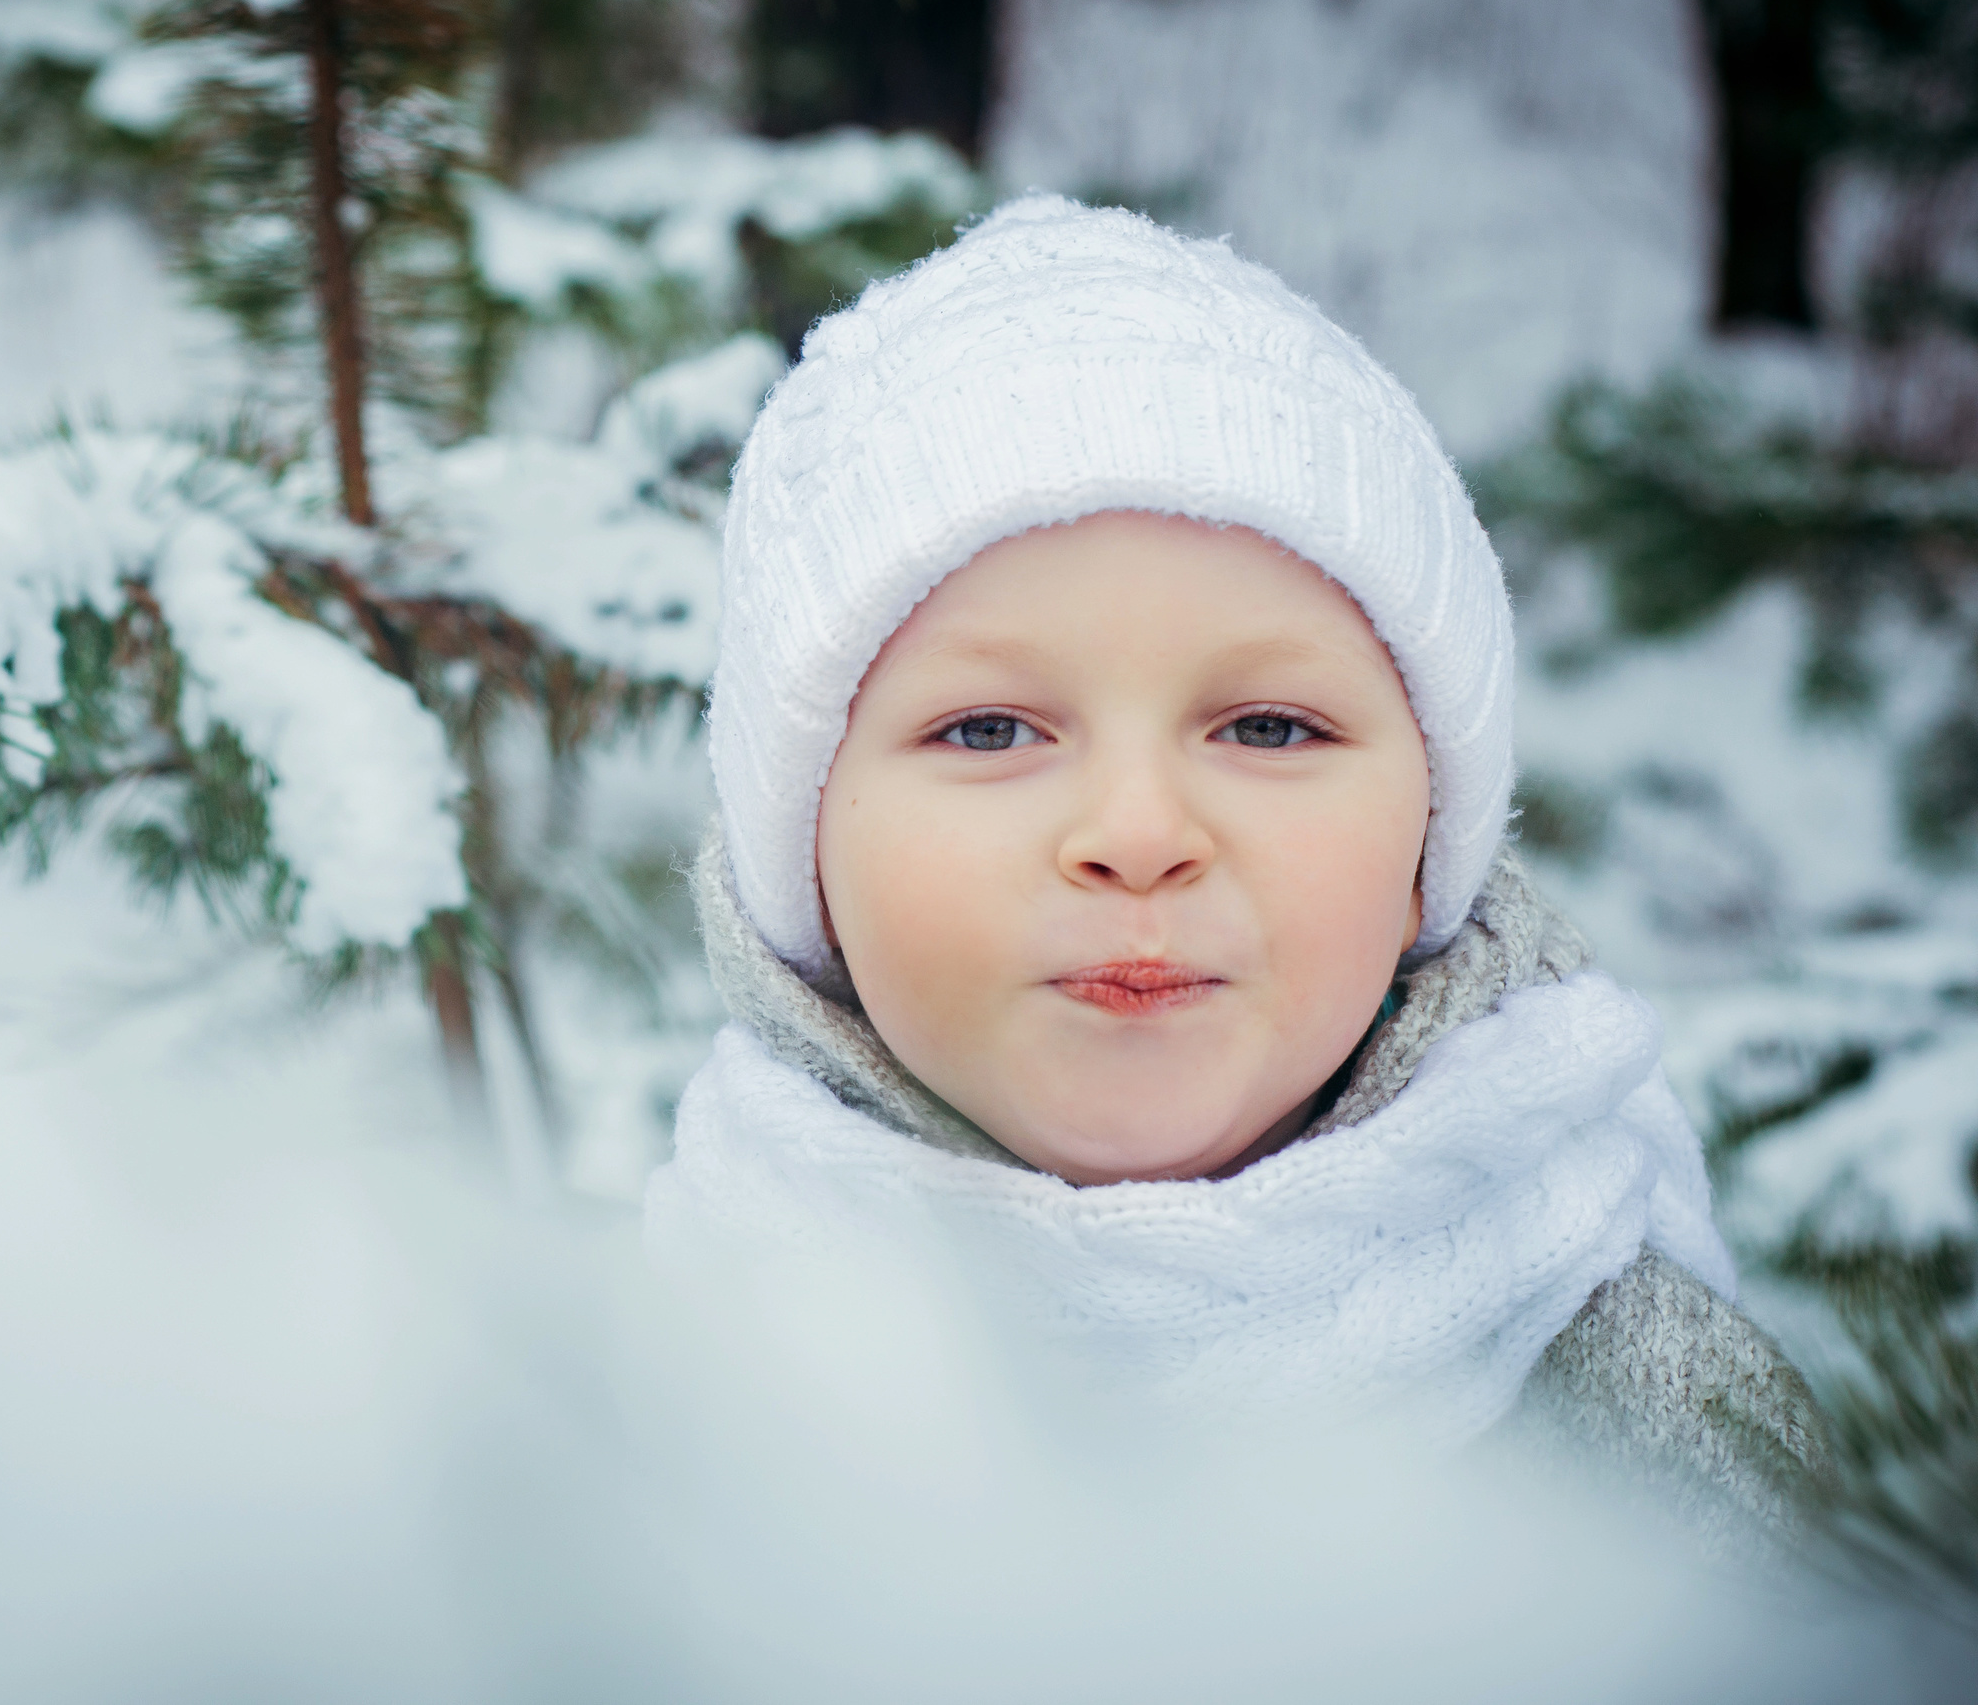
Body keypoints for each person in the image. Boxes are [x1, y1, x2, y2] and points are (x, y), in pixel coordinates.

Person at [644, 195, 1829, 1551]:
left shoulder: (1638, 1416)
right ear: (803, 847)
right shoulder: (658, 1399)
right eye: (988, 730)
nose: (1140, 833)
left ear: (1428, 842)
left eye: (1268, 728)